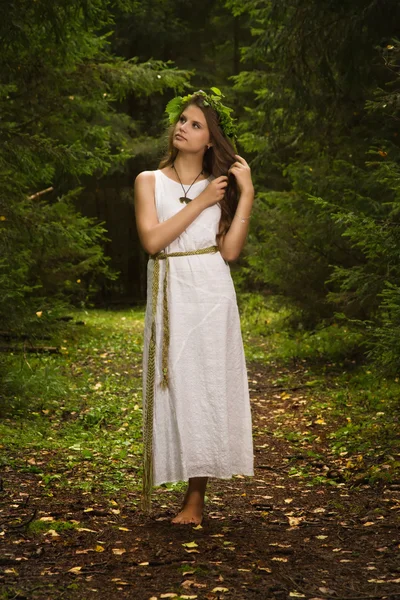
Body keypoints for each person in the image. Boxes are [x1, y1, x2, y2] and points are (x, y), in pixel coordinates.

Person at [134, 88, 254, 525]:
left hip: (210, 293)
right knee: (173, 384)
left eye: (195, 124)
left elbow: (230, 252)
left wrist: (246, 197)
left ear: (210, 140)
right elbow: (152, 240)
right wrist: (201, 202)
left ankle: (195, 499)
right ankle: (172, 472)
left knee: (204, 388)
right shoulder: (149, 180)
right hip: (170, 288)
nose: (183, 127)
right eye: (182, 120)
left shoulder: (220, 187)